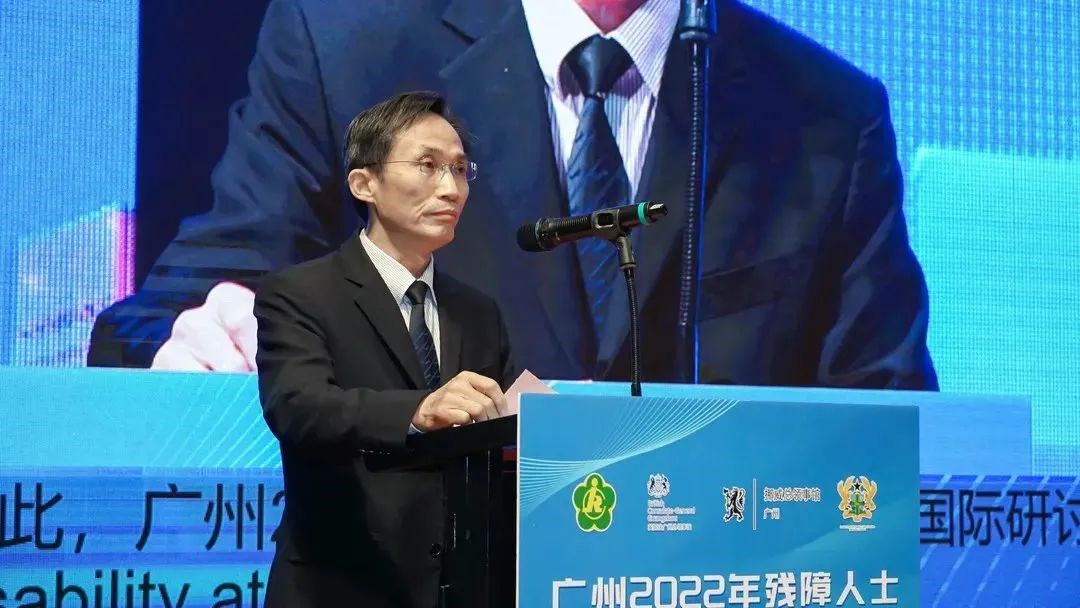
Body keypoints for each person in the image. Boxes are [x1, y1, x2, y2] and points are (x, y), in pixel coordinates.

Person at [88, 0, 938, 390]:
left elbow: (892, 430)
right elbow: (162, 316)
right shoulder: (343, 48)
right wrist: (195, 345)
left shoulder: (827, 119)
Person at [254, 91, 515, 607]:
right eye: (428, 166)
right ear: (364, 183)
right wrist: (419, 410)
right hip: (343, 585)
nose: (451, 188)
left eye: (460, 170)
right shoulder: (300, 293)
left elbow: (496, 438)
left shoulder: (478, 311)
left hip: (463, 587)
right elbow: (299, 407)